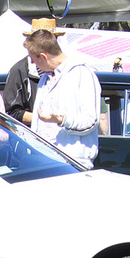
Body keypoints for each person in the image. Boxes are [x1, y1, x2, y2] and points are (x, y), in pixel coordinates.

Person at [25, 21, 99, 163]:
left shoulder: (82, 74)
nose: (33, 64)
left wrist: (61, 120)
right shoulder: (45, 78)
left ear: (43, 56)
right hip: (45, 159)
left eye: (34, 59)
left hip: (73, 162)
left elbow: (91, 121)